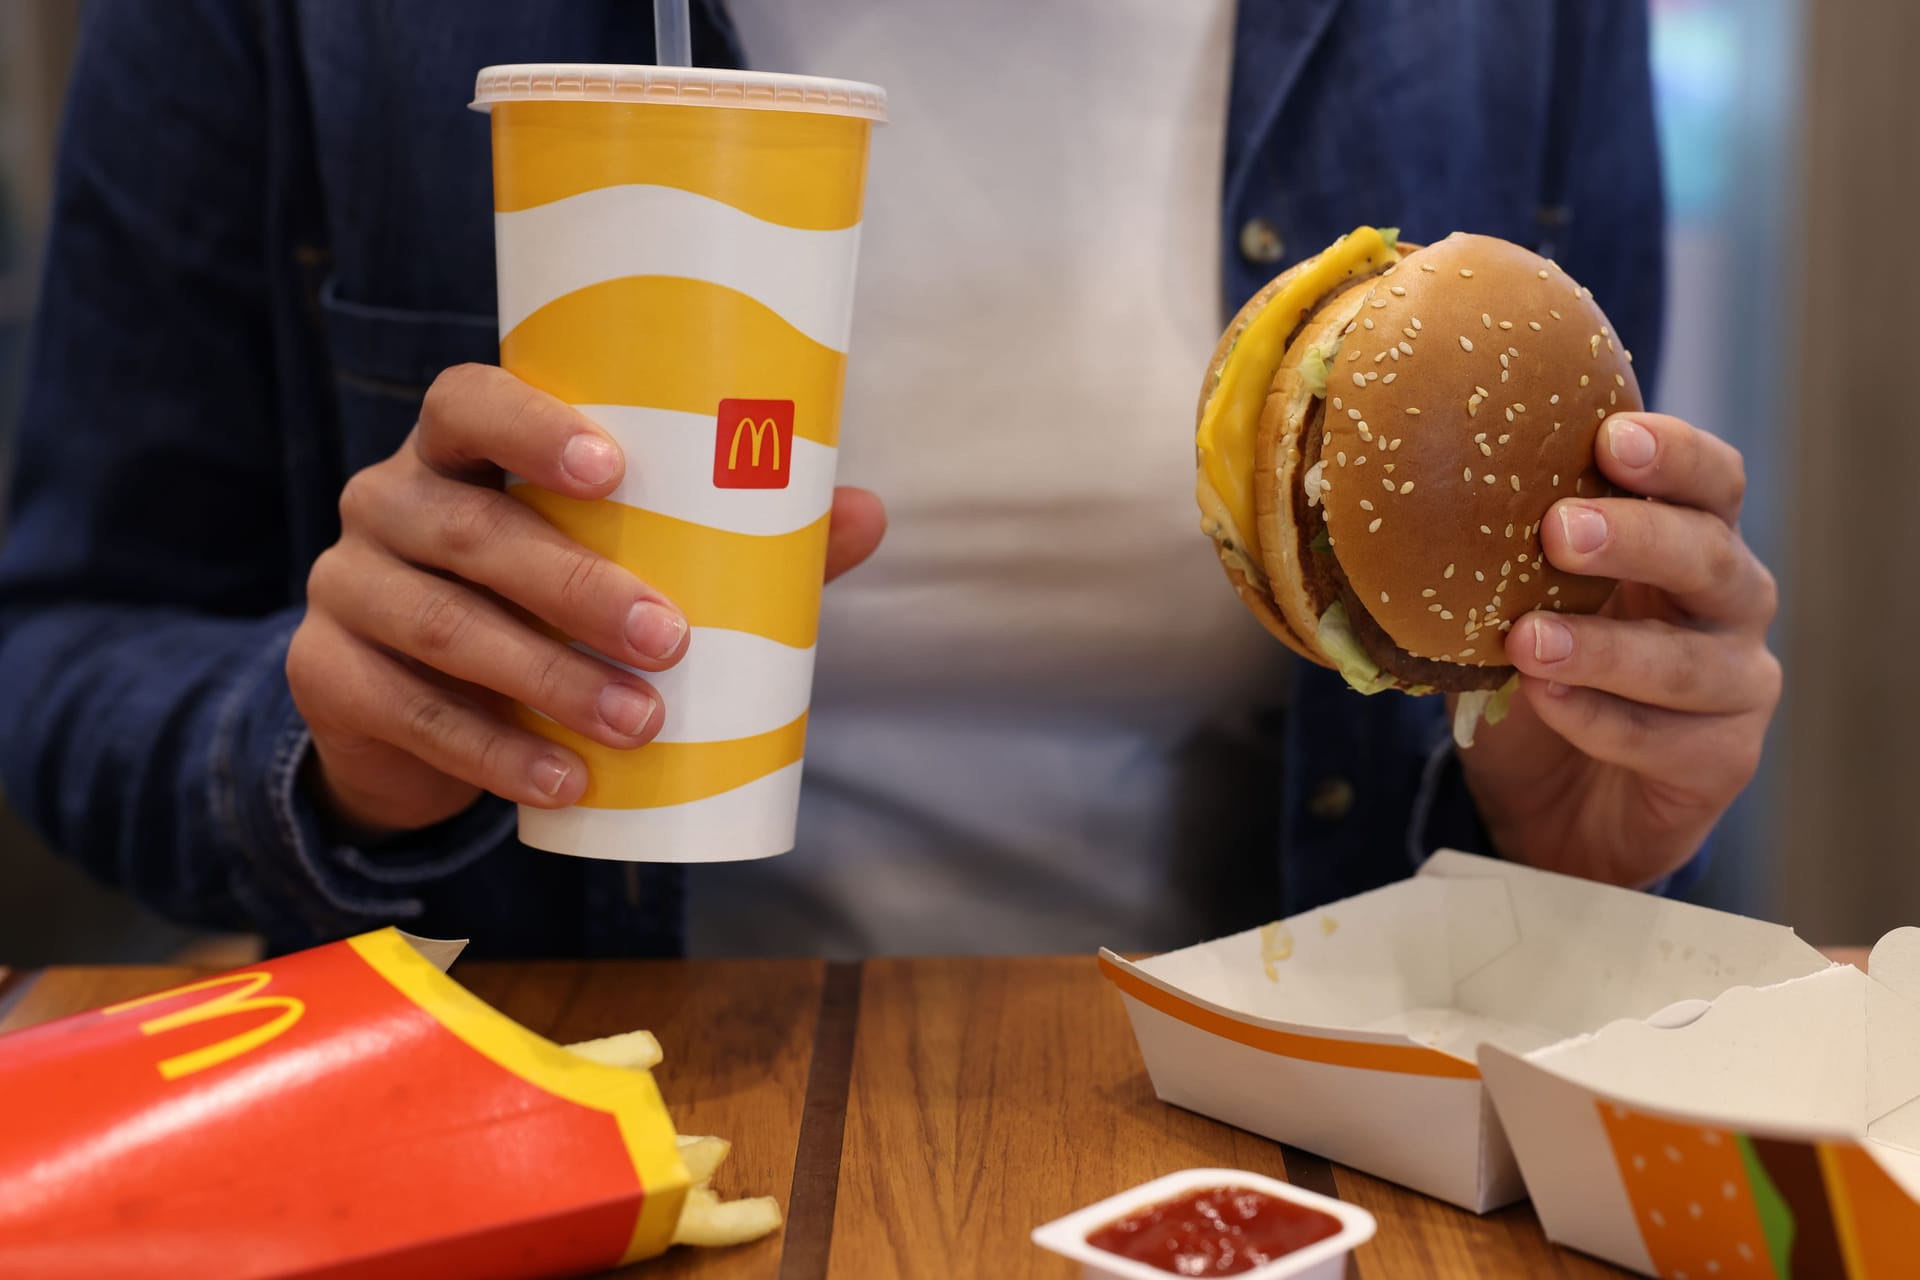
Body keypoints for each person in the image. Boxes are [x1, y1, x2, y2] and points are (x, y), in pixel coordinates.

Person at [0, 0, 1778, 959]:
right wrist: (336, 754)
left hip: (1279, 1163)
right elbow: (69, 643)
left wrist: (1564, 848)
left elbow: (1580, 684)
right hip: (546, 1134)